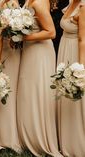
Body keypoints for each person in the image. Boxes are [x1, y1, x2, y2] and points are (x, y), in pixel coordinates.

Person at [16, 0, 62, 156]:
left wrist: (22, 38)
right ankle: (28, 135)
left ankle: (39, 138)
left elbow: (51, 32)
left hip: (40, 52)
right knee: (28, 93)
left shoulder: (39, 2)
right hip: (30, 50)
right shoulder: (29, 0)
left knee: (37, 92)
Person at [0, 0, 22, 152]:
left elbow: (1, 34)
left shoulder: (13, 4)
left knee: (6, 92)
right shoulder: (1, 2)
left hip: (7, 54)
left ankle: (7, 137)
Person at [57, 0, 85, 156]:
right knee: (65, 95)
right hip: (64, 49)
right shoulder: (71, 3)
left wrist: (81, 67)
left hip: (76, 53)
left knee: (78, 98)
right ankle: (66, 141)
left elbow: (83, 39)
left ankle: (79, 144)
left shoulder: (83, 7)